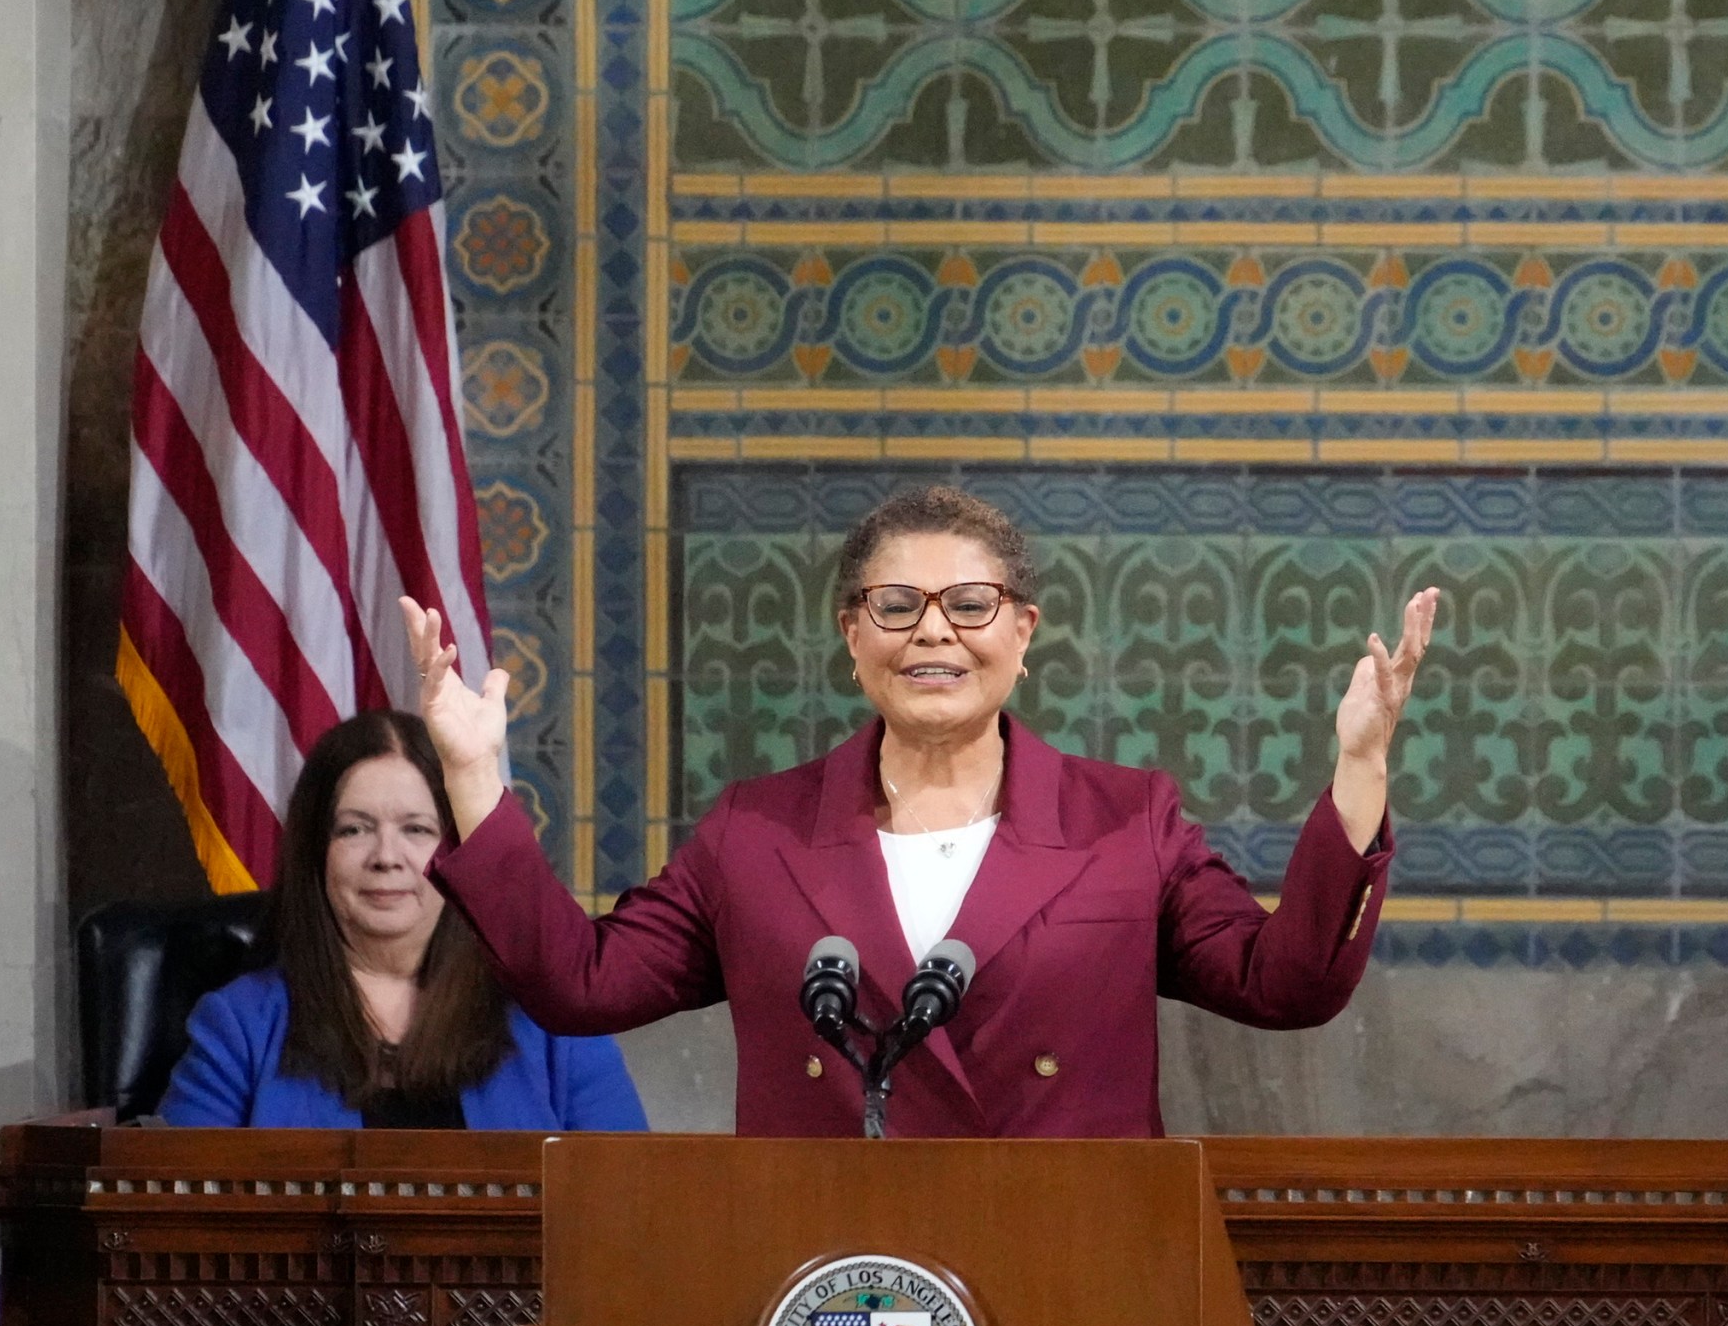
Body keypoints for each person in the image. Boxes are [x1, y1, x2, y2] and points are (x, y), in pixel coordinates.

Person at [406, 485, 1440, 1137]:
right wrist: (470, 774)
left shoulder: (1128, 822)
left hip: (1074, 1267)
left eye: (970, 605)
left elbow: (1287, 985)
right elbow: (580, 984)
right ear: (852, 637)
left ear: (1023, 631)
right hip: (826, 1290)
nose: (932, 633)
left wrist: (1358, 765)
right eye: (895, 606)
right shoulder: (757, 833)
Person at [159, 710, 648, 1131]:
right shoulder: (238, 1026)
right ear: (316, 854)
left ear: (460, 851)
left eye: (417, 829)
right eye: (355, 829)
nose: (386, 856)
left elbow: (630, 1203)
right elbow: (174, 1212)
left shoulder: (553, 1017)